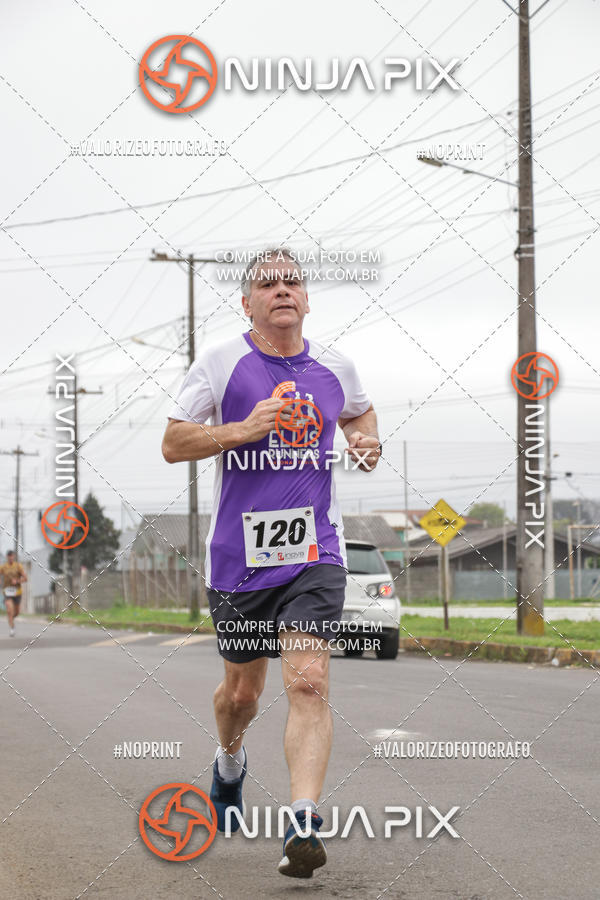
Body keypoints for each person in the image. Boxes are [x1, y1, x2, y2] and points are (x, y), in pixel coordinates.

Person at [162, 246, 381, 878]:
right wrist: (240, 429)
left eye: (293, 282)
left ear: (307, 299)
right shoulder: (220, 363)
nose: (282, 290)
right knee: (241, 691)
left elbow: (359, 411)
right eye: (268, 283)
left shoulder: (336, 365)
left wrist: (363, 440)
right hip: (239, 560)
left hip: (316, 552)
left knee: (307, 680)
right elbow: (174, 442)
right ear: (248, 302)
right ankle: (229, 763)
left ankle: (303, 822)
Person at [1, 549, 27, 637]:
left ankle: (12, 617)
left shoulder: (18, 566)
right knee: (9, 610)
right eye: (9, 556)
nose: (10, 558)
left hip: (17, 592)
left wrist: (17, 581)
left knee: (16, 612)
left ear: (14, 557)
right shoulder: (3, 567)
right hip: (7, 592)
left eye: (12, 556)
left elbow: (25, 578)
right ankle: (12, 628)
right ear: (7, 557)